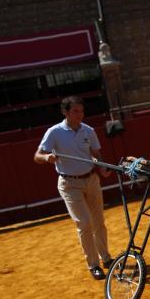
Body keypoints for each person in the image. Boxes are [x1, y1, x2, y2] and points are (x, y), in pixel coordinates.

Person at [34, 96, 113, 281]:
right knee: (85, 223)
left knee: (99, 221)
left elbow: (96, 153)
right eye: (76, 111)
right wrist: (47, 158)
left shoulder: (89, 130)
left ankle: (106, 258)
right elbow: (37, 155)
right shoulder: (54, 132)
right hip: (70, 184)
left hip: (91, 180)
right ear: (65, 112)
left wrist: (101, 167)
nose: (80, 115)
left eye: (82, 111)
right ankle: (93, 265)